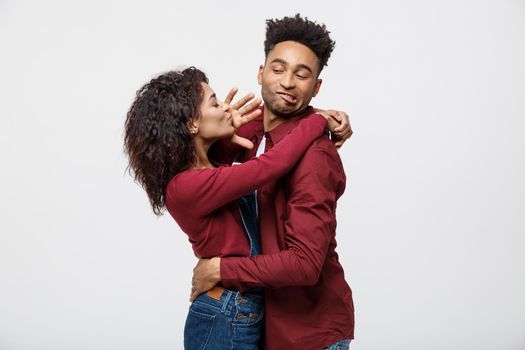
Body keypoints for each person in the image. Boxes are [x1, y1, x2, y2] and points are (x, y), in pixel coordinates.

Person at [124, 67, 349, 349]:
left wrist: (238, 128)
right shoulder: (186, 186)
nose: (225, 108)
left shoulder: (210, 170)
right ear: (193, 123)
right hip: (224, 311)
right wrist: (317, 121)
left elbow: (251, 147)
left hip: (243, 307)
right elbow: (270, 166)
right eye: (215, 102)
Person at [191, 14, 355, 349]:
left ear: (316, 87)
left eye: (302, 74)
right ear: (261, 72)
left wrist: (221, 270)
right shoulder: (251, 135)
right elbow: (203, 175)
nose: (288, 82)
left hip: (309, 333)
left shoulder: (316, 156)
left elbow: (305, 264)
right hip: (260, 325)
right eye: (278, 69)